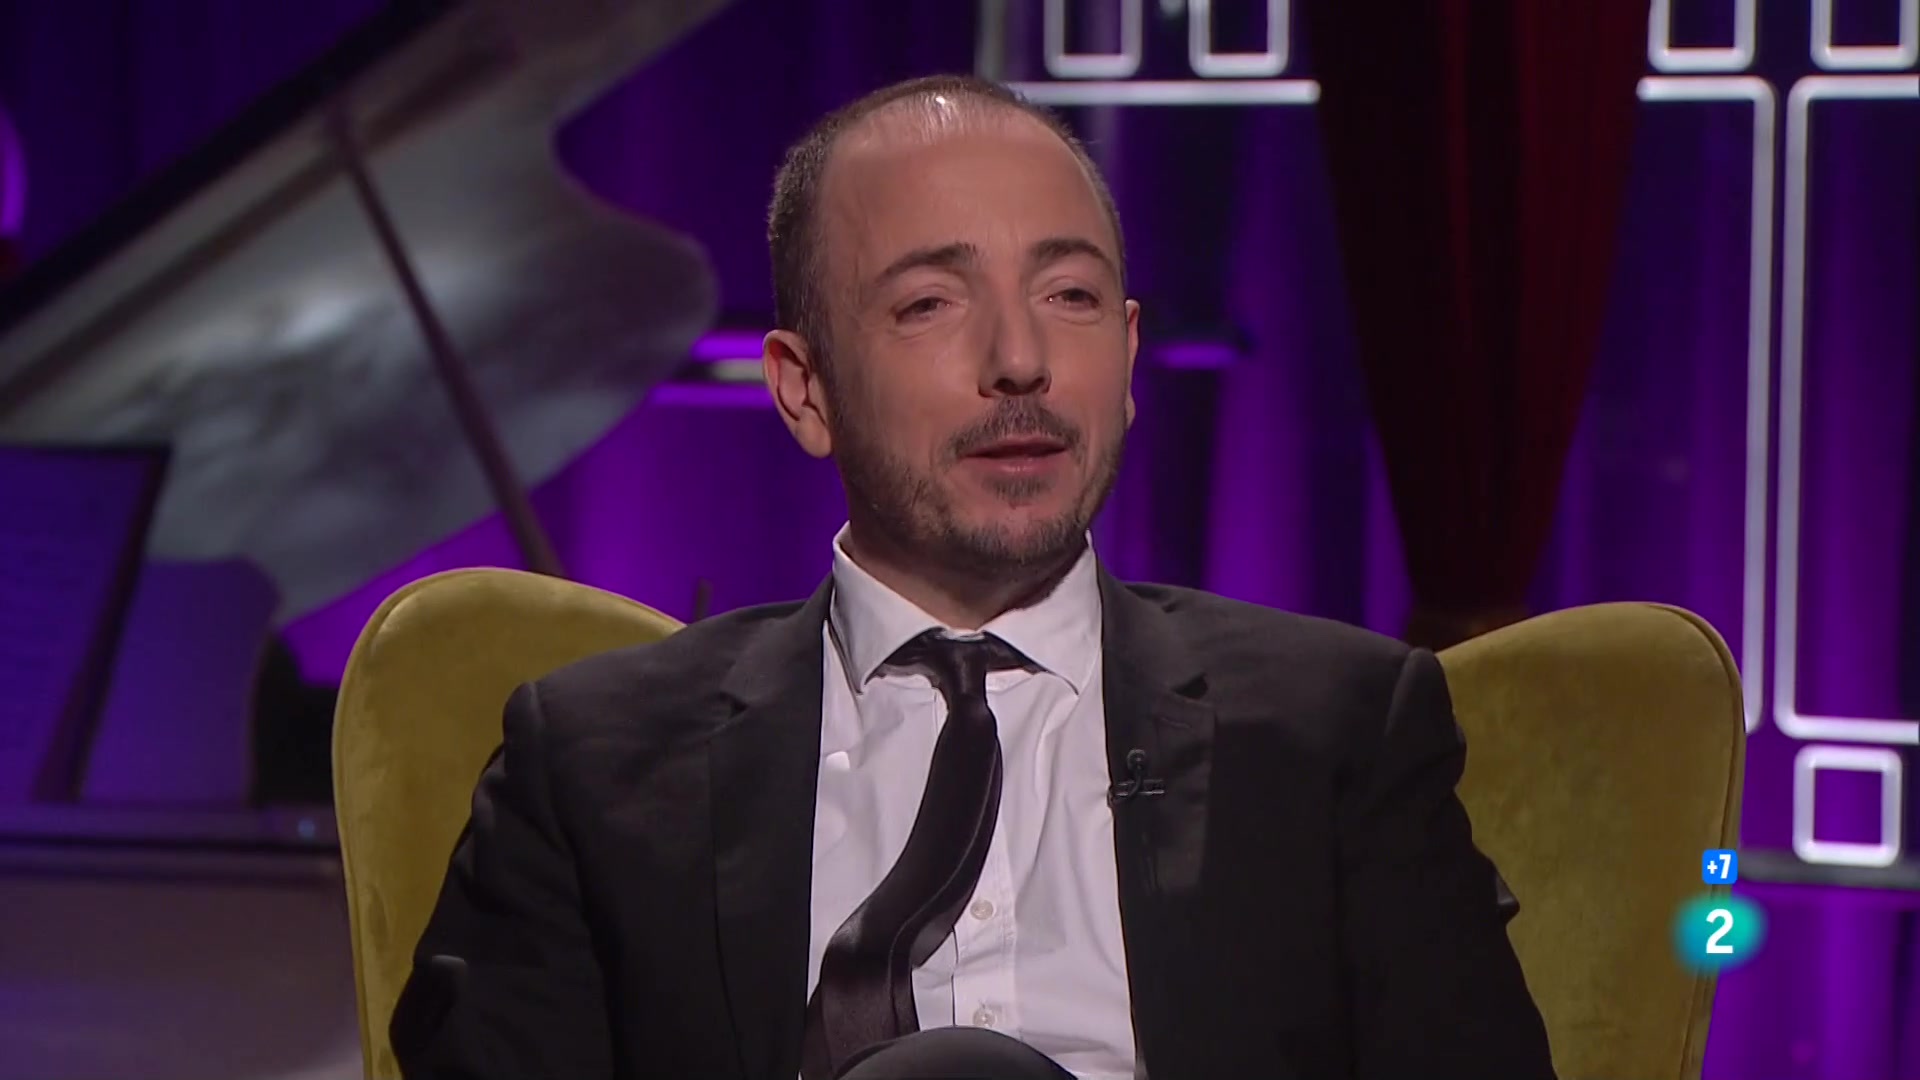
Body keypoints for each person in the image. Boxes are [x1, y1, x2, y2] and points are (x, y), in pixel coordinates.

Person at [391, 74, 1556, 1080]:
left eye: (1070, 296)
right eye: (929, 304)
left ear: (1129, 359)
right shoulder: (591, 767)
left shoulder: (1337, 731)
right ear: (803, 387)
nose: (1021, 360)